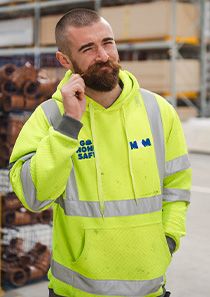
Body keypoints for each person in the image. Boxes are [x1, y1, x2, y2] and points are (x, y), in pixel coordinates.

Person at [9, 8, 191, 297]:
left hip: (149, 287)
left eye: (108, 42)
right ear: (65, 60)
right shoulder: (50, 117)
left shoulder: (158, 111)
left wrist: (167, 240)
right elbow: (34, 197)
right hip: (76, 290)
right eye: (88, 48)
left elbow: (177, 187)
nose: (104, 55)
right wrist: (68, 125)